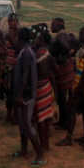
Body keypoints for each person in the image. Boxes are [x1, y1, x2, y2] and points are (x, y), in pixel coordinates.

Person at [12, 27, 44, 166]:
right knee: (22, 124)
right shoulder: (25, 51)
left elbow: (25, 75)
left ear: (20, 38)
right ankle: (24, 150)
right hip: (24, 93)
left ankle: (40, 155)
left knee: (27, 124)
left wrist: (19, 95)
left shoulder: (26, 53)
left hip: (26, 94)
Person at [33, 24, 57, 153]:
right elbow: (55, 70)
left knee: (40, 118)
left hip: (39, 87)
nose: (35, 40)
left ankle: (43, 145)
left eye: (37, 38)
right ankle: (46, 144)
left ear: (41, 39)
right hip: (48, 86)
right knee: (47, 116)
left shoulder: (38, 54)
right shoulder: (48, 53)